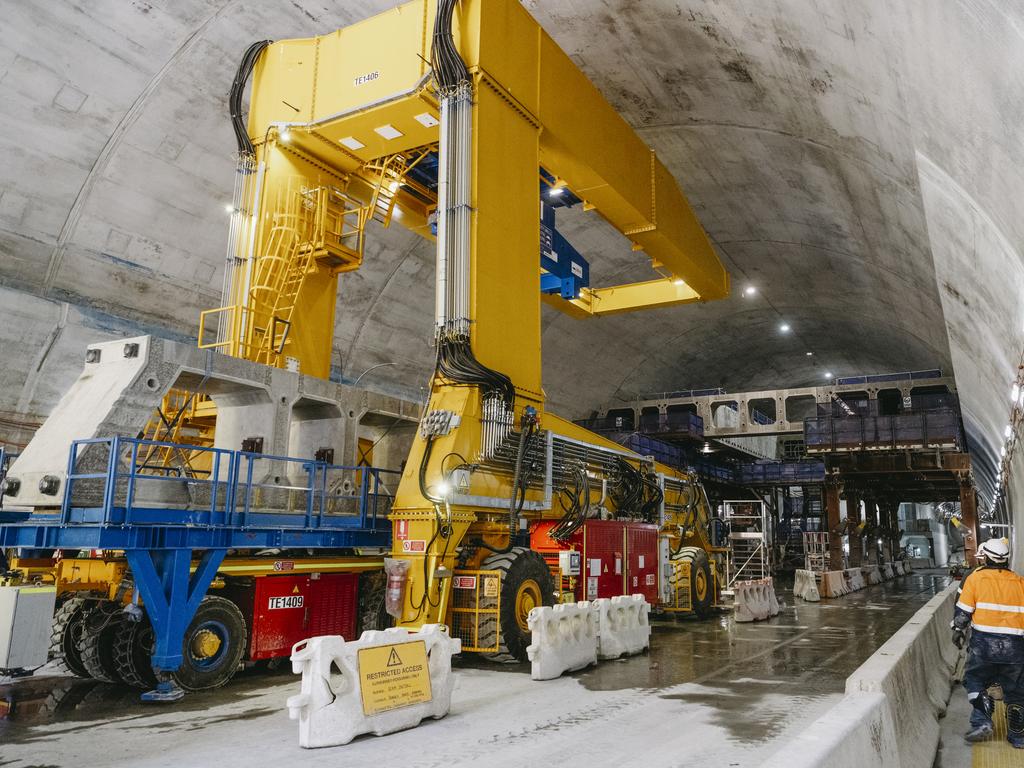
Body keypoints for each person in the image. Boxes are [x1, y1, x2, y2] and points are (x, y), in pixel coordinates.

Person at [951, 537, 1024, 747]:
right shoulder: (1020, 582)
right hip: (1016, 649)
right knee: (1017, 691)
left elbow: (963, 614)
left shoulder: (976, 579)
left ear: (987, 557)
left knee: (974, 681)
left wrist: (957, 631)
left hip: (984, 647)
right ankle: (1018, 737)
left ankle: (982, 721)